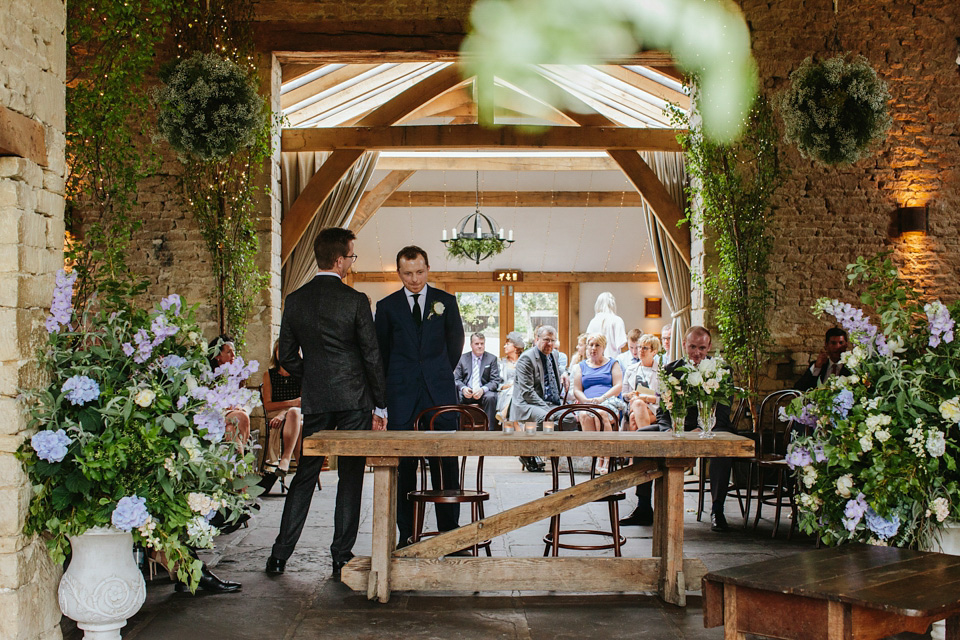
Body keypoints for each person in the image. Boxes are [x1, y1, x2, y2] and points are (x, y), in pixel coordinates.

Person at [265, 227, 387, 582]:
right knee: (350, 476)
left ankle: (279, 556)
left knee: (305, 474)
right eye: (351, 256)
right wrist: (380, 403)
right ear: (338, 260)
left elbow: (286, 354)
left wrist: (315, 373)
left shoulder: (296, 299)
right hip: (353, 399)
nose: (352, 262)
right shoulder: (355, 301)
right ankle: (340, 557)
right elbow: (371, 355)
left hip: (317, 399)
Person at [375, 246, 465, 549]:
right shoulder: (387, 307)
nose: (414, 279)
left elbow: (455, 344)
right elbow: (382, 353)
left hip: (439, 393)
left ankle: (450, 533)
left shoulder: (446, 302)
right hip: (401, 396)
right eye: (408, 273)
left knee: (445, 463)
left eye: (419, 272)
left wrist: (436, 373)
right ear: (399, 273)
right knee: (405, 466)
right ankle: (407, 533)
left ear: (428, 268)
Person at [654, 326, 735, 532]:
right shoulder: (670, 370)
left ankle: (717, 510)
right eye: (692, 347)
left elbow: (724, 412)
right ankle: (643, 506)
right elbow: (662, 411)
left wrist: (702, 428)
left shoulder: (721, 371)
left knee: (723, 452)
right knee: (641, 436)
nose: (696, 353)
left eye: (701, 347)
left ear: (709, 347)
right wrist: (667, 430)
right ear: (683, 345)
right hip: (676, 428)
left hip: (711, 428)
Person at [511, 325, 577, 430]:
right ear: (537, 339)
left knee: (570, 419)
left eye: (553, 340)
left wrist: (564, 373)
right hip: (528, 403)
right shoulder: (526, 358)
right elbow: (527, 392)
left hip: (551, 403)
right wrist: (547, 409)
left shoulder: (554, 354)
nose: (550, 343)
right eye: (546, 340)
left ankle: (533, 431)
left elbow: (556, 369)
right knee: (547, 418)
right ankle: (533, 440)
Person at [262, 340, 303, 475]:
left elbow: (303, 403)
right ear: (276, 353)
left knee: (295, 414)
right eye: (281, 350)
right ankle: (302, 471)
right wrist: (291, 404)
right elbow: (268, 406)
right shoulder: (269, 375)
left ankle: (285, 459)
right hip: (275, 414)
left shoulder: (301, 374)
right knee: (296, 418)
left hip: (297, 414)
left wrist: (286, 412)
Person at [208, 335, 252, 450]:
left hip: (232, 416)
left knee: (231, 429)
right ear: (218, 356)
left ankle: (238, 464)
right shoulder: (210, 376)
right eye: (229, 352)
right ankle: (244, 455)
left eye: (234, 352)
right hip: (215, 415)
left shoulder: (237, 375)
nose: (233, 356)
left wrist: (240, 407)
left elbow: (246, 401)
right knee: (242, 417)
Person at [454, 332, 502, 429]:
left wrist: (483, 389)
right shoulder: (462, 358)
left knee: (491, 397)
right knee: (455, 395)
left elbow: (495, 381)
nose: (480, 346)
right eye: (477, 344)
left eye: (482, 343)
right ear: (471, 345)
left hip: (483, 392)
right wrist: (463, 388)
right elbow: (456, 379)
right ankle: (457, 428)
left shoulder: (491, 359)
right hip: (467, 392)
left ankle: (489, 429)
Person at [622, 333, 661, 431]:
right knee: (638, 405)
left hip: (654, 408)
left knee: (634, 416)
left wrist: (644, 398)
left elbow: (664, 398)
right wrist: (629, 395)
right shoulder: (630, 370)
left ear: (654, 351)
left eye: (645, 348)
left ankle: (639, 445)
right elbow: (624, 394)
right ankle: (648, 443)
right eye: (639, 347)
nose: (640, 350)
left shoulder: (662, 371)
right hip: (633, 405)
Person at [495, 331, 525, 426]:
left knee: (516, 390)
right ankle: (518, 432)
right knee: (513, 392)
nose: (504, 347)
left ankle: (504, 413)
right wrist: (504, 386)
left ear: (515, 346)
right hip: (505, 392)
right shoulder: (501, 363)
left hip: (521, 394)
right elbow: (496, 382)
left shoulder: (524, 362)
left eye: (507, 344)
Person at [585, 292, 627, 359]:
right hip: (612, 360)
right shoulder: (617, 320)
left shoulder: (593, 321)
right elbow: (622, 344)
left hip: (595, 360)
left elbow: (588, 342)